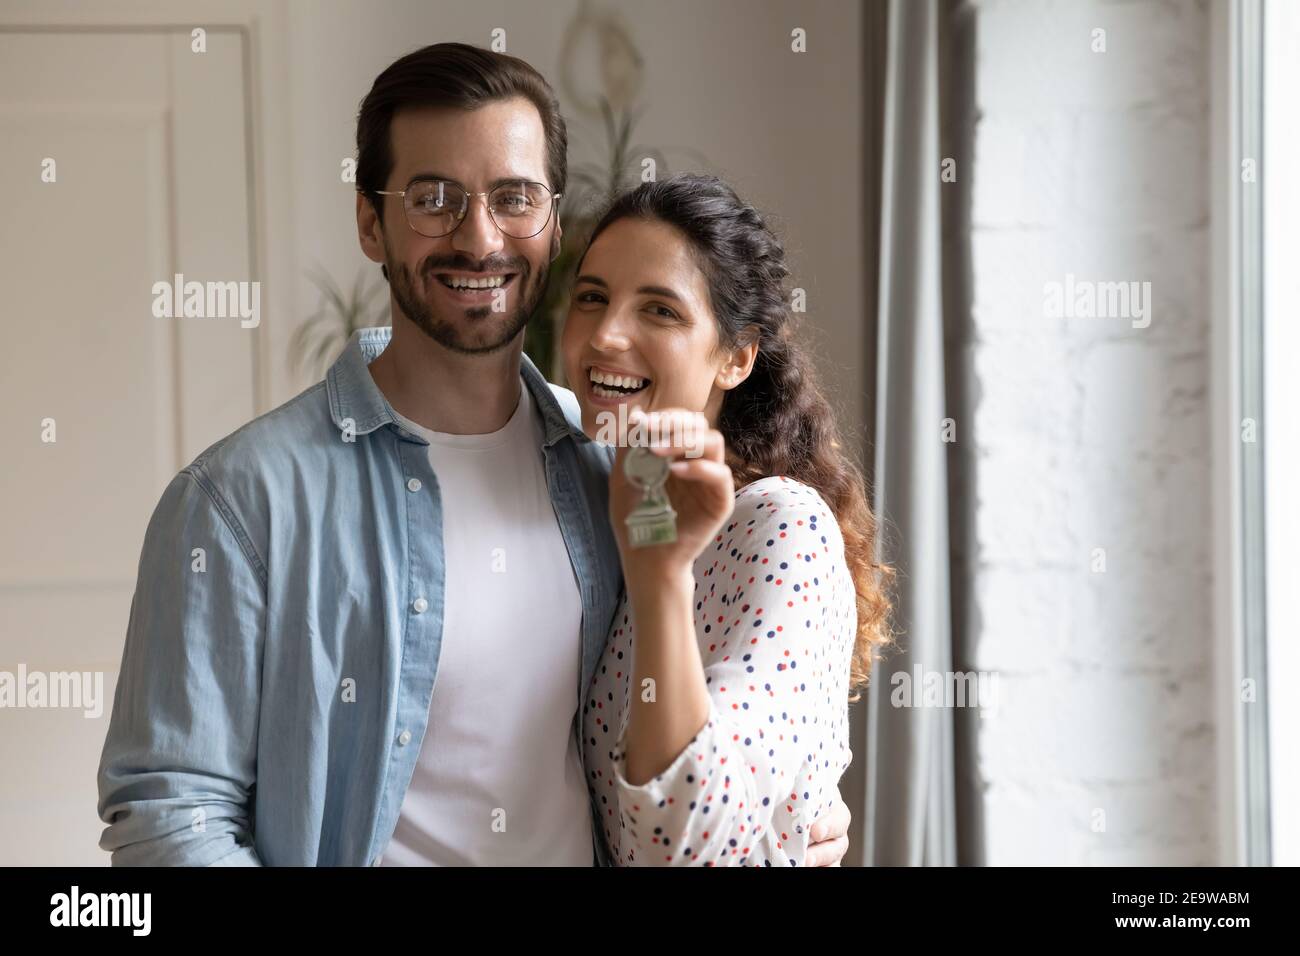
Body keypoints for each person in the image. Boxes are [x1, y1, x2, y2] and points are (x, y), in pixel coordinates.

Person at [96, 43, 851, 866]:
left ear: (552, 224)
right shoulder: (241, 501)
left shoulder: (611, 471)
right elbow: (171, 817)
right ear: (368, 221)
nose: (478, 237)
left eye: (513, 198)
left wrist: (790, 814)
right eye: (433, 198)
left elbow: (685, 770)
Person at [561, 175, 892, 865]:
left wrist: (661, 577)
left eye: (659, 310)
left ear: (736, 358)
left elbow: (690, 847)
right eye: (592, 298)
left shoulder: (782, 527)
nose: (606, 334)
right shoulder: (605, 491)